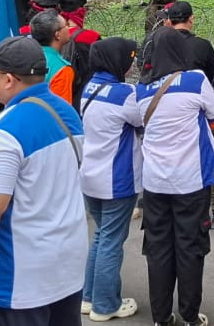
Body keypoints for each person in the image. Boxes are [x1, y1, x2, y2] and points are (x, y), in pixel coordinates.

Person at [0, 37, 86, 325]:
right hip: (65, 267)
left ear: (8, 79)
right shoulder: (66, 113)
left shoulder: (1, 131)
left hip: (18, 278)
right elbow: (46, 174)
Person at [137, 25, 214, 326]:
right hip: (191, 182)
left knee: (158, 249)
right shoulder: (195, 80)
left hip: (154, 184)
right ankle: (189, 315)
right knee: (190, 247)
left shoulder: (142, 90)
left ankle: (161, 317)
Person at [77, 38, 143, 322]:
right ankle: (105, 305)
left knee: (102, 236)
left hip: (90, 176)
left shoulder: (88, 87)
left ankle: (88, 296)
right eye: (129, 59)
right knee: (112, 241)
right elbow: (143, 119)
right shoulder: (124, 94)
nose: (132, 64)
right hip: (117, 179)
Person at [25, 10, 75, 102]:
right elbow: (60, 109)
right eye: (66, 25)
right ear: (57, 35)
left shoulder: (24, 57)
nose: (69, 28)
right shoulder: (61, 69)